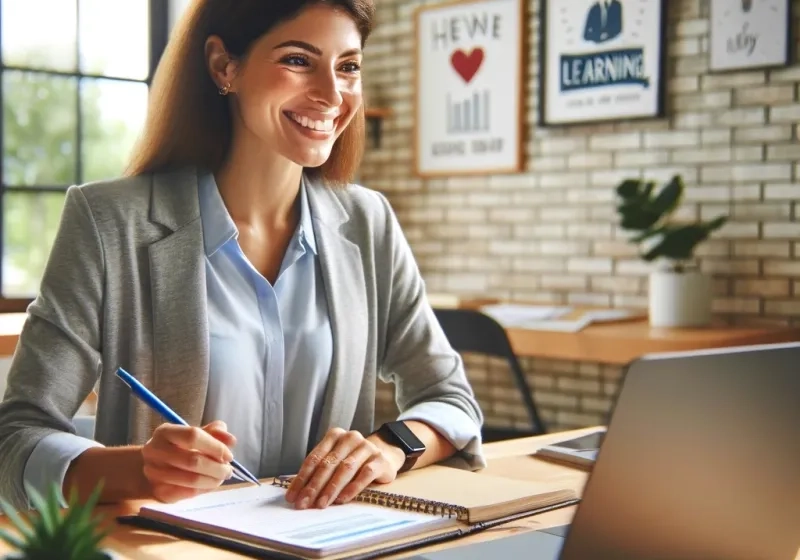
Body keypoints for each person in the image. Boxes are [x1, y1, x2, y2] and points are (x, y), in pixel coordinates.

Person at [0, 0, 485, 511]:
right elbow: (16, 440)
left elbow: (452, 400)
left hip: (328, 545)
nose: (331, 94)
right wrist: (137, 469)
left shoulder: (368, 223)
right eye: (299, 60)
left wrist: (389, 449)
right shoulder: (107, 223)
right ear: (223, 66)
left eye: (348, 67)